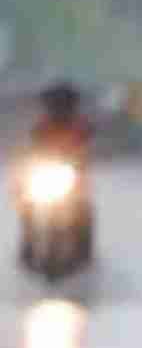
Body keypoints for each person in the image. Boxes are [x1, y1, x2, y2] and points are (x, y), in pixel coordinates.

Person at [17, 81, 94, 265]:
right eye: (55, 104)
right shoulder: (41, 126)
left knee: (84, 210)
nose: (59, 108)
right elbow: (31, 150)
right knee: (27, 206)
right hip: (47, 174)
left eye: (64, 103)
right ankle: (27, 246)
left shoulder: (80, 126)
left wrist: (79, 161)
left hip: (72, 177)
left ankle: (84, 251)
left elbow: (85, 148)